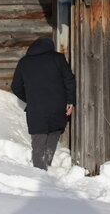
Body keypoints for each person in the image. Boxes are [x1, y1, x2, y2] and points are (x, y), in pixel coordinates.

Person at [11, 37, 76, 170]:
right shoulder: (58, 58)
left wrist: (30, 99)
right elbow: (69, 80)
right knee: (54, 134)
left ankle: (39, 172)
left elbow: (16, 86)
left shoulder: (24, 62)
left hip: (36, 108)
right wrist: (70, 101)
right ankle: (47, 164)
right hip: (57, 105)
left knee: (38, 141)